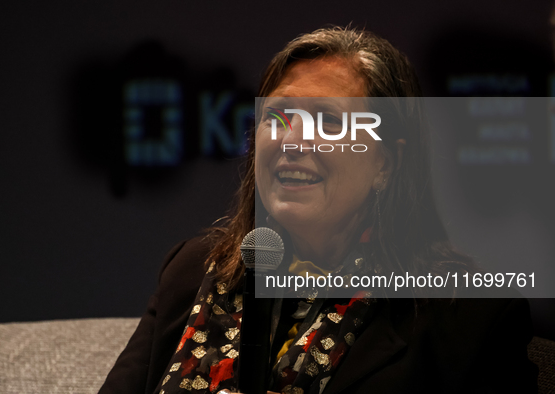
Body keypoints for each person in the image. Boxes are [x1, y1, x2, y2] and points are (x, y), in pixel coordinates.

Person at [99, 27, 538, 394]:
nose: (293, 142)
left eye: (328, 122)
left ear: (386, 163)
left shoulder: (469, 317)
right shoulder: (191, 271)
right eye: (279, 117)